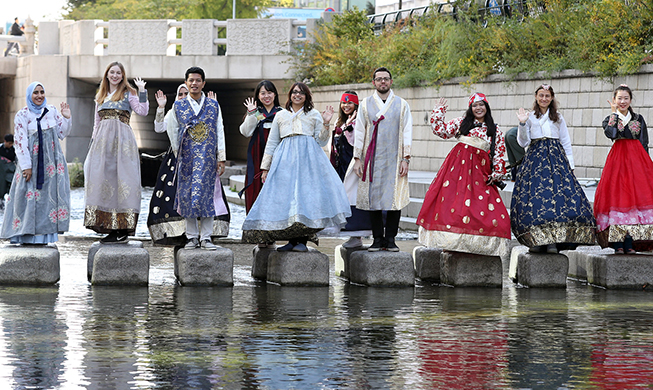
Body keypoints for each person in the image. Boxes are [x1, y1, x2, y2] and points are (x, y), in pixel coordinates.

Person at [241, 82, 351, 252]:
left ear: (307, 96)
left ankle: (302, 240)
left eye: (301, 93)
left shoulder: (313, 114)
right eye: (294, 92)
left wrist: (326, 123)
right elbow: (272, 143)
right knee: (288, 199)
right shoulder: (281, 115)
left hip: (308, 161)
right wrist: (265, 168)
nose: (297, 95)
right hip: (285, 161)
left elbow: (321, 140)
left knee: (305, 199)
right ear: (290, 95)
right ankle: (291, 240)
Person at [417, 93, 511, 256]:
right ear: (470, 108)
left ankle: (478, 244)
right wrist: (439, 112)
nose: (478, 108)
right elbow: (442, 131)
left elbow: (499, 154)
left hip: (480, 172)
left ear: (486, 107)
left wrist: (497, 173)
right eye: (475, 105)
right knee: (455, 204)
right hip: (457, 170)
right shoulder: (461, 122)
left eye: (481, 104)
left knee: (480, 206)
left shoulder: (495, 130)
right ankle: (451, 242)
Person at [511, 84, 596, 253]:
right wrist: (522, 124)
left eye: (547, 96)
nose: (544, 99)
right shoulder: (529, 117)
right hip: (535, 159)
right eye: (541, 95)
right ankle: (537, 240)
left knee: (558, 198)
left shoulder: (558, 117)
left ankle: (554, 241)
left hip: (556, 159)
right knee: (536, 198)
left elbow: (565, 141)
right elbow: (523, 142)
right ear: (536, 97)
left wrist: (570, 165)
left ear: (551, 98)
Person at [164, 67, 230, 250]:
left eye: (198, 80)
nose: (194, 83)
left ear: (204, 83)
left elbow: (220, 130)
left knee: (207, 195)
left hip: (208, 158)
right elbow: (172, 130)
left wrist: (221, 157)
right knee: (187, 195)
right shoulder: (178, 106)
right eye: (191, 80)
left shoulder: (213, 105)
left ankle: (206, 237)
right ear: (186, 82)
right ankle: (192, 237)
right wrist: (178, 153)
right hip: (187, 158)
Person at [84, 61, 149, 244]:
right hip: (103, 145)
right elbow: (96, 124)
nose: (114, 76)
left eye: (118, 73)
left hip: (123, 144)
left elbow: (143, 111)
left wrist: (142, 91)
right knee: (104, 182)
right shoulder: (101, 96)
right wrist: (93, 146)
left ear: (122, 76)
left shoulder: (129, 94)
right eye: (112, 72)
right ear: (107, 75)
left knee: (124, 181)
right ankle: (109, 226)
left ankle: (123, 228)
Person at [0, 82, 71, 244]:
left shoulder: (51, 111)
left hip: (52, 164)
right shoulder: (22, 115)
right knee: (27, 196)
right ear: (29, 95)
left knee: (48, 198)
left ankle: (44, 236)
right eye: (35, 93)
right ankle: (25, 235)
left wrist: (66, 117)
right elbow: (20, 142)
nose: (39, 96)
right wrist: (26, 166)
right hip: (31, 163)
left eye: (42, 92)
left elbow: (62, 133)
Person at [351, 67, 412, 252]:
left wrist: (405, 158)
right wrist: (357, 158)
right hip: (372, 159)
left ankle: (391, 239)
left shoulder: (402, 104)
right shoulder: (365, 104)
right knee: (373, 199)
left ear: (391, 82)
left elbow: (407, 131)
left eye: (386, 79)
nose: (383, 82)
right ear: (374, 82)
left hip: (395, 158)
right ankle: (377, 239)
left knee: (395, 199)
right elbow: (360, 131)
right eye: (379, 79)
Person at [594, 84, 653, 253]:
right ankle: (618, 243)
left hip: (637, 162)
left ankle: (631, 242)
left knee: (635, 202)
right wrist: (614, 114)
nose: (622, 101)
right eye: (619, 98)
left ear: (631, 100)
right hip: (618, 162)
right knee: (618, 200)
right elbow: (611, 134)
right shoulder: (610, 119)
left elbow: (644, 141)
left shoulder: (638, 118)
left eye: (626, 98)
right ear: (614, 100)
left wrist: (647, 166)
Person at [146, 84, 189, 246]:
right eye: (180, 94)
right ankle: (175, 232)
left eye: (186, 94)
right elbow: (158, 128)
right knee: (170, 194)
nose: (183, 96)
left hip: (195, 160)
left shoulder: (198, 111)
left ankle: (195, 233)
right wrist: (161, 108)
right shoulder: (172, 112)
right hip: (174, 159)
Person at [330, 91, 373, 248]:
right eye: (343, 103)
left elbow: (357, 142)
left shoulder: (358, 123)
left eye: (350, 103)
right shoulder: (340, 121)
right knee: (343, 199)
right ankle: (348, 234)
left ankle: (357, 236)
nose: (346, 105)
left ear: (356, 105)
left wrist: (350, 126)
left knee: (353, 198)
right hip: (341, 166)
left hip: (353, 166)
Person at [239, 80, 282, 215]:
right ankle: (255, 220)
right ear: (258, 96)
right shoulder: (256, 113)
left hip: (277, 154)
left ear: (275, 95)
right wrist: (251, 114)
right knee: (256, 185)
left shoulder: (281, 113)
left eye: (269, 92)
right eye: (263, 93)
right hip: (257, 154)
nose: (266, 96)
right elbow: (245, 132)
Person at [0, 134, 16, 206]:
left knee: (11, 187)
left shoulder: (14, 150)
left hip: (10, 171)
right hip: (1, 172)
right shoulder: (0, 148)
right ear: (5, 141)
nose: (10, 145)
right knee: (1, 187)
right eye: (9, 143)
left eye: (11, 143)